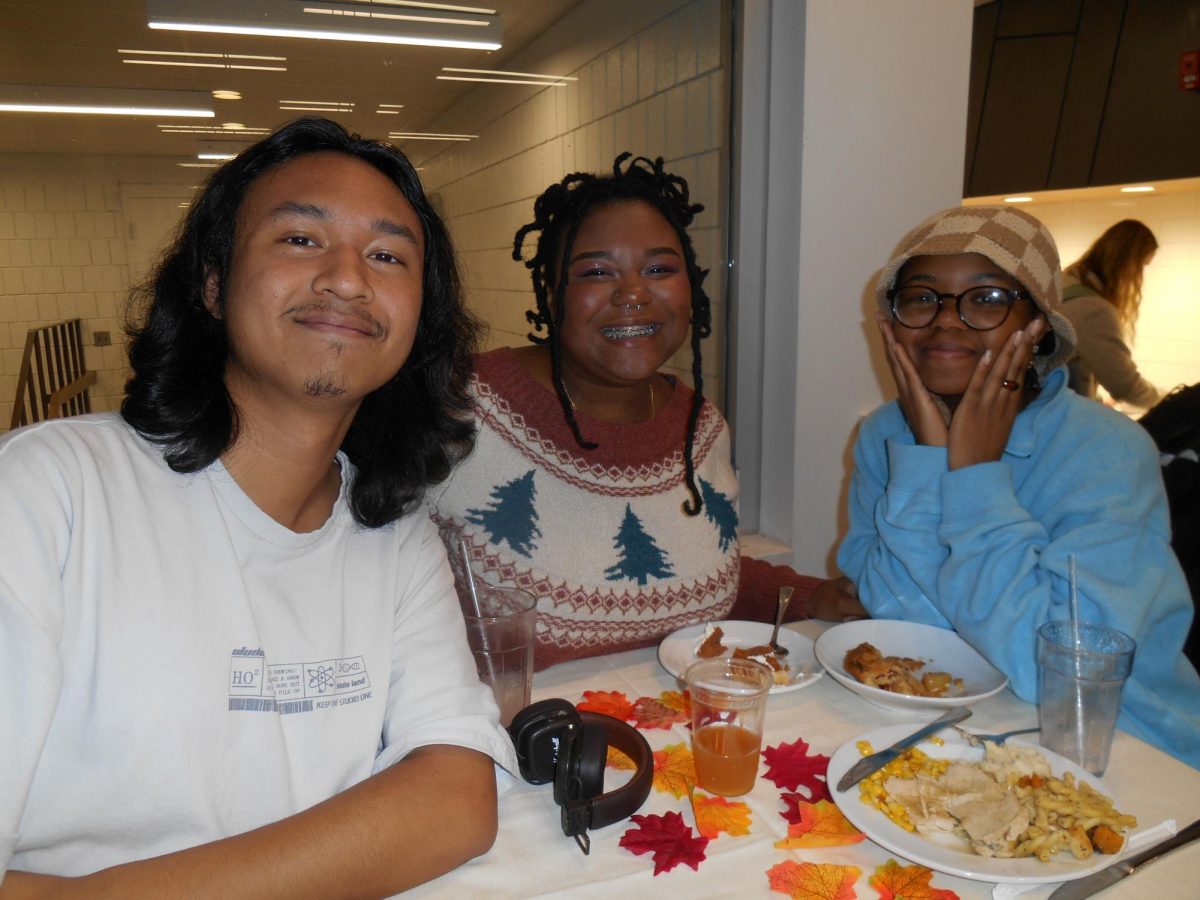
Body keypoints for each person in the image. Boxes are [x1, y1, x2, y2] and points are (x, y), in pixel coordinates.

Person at [0, 117, 517, 894]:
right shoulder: (53, 491)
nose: (348, 279)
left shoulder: (396, 537)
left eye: (387, 256)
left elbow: (455, 798)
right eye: (300, 240)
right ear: (212, 284)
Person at [427, 153, 863, 671]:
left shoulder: (701, 428)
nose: (633, 293)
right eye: (596, 272)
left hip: (676, 741)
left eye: (659, 269)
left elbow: (698, 568)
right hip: (508, 741)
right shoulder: (455, 406)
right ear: (550, 294)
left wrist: (810, 598)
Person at [837, 204, 1200, 770]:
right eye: (922, 297)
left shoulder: (1109, 452)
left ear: (1038, 328)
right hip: (962, 735)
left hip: (1127, 748)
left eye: (987, 298)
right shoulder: (886, 434)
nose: (946, 320)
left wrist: (975, 477)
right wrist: (927, 462)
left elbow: (1056, 678)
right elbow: (903, 623)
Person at [1061, 219, 1162, 408]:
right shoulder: (1091, 308)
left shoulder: (1066, 282)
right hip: (1055, 426)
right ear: (1127, 264)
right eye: (1141, 267)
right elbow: (1125, 385)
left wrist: (1098, 400)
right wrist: (1173, 404)